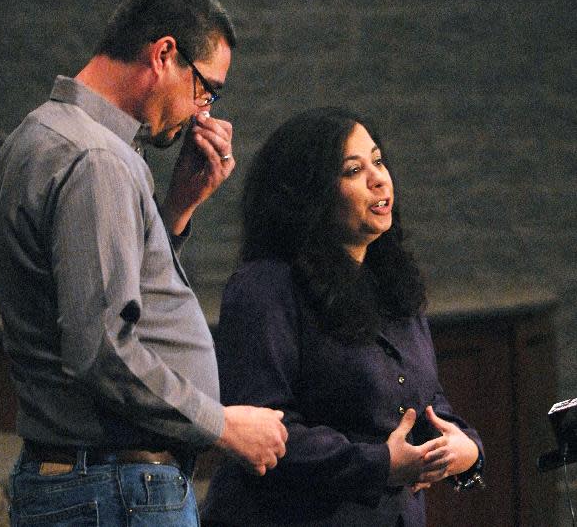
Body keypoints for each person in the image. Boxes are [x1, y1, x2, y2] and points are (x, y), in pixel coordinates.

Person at [0, 0, 287, 527]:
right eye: (205, 88)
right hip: (114, 488)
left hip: (97, 484)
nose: (203, 111)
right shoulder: (96, 160)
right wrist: (220, 424)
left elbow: (95, 291)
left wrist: (176, 209)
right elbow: (100, 347)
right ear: (164, 54)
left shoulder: (37, 135)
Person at [201, 107, 484, 526]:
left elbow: (427, 402)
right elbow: (264, 430)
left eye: (379, 160)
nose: (378, 178)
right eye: (354, 170)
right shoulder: (266, 286)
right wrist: (380, 464)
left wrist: (466, 449)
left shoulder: (391, 285)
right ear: (310, 194)